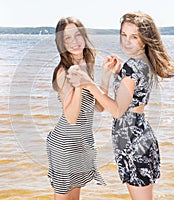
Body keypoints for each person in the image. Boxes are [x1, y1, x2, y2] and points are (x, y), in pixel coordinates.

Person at [67, 11, 174, 200]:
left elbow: (117, 111)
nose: (126, 41)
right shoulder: (142, 63)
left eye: (134, 37)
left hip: (133, 142)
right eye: (123, 35)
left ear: (145, 39)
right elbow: (131, 100)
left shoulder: (132, 66)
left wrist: (88, 83)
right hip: (138, 136)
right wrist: (115, 74)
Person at [46, 17, 106, 200]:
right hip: (64, 144)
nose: (74, 42)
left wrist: (107, 77)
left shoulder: (86, 65)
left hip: (82, 144)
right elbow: (71, 117)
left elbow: (99, 106)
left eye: (77, 35)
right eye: (67, 39)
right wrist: (80, 84)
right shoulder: (63, 72)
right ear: (61, 44)